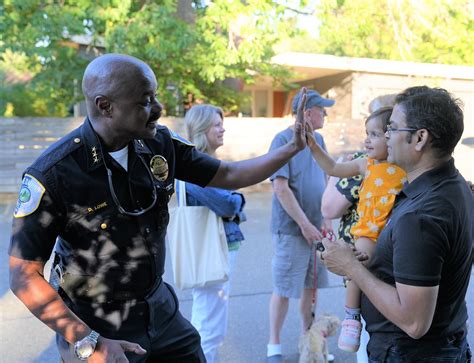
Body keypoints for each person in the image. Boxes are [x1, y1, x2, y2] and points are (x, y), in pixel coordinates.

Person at [8, 54, 309, 363]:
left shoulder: (159, 144)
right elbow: (23, 275)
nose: (158, 108)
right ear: (105, 106)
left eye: (154, 96)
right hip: (96, 323)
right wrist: (88, 340)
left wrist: (292, 147)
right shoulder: (53, 174)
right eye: (144, 101)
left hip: (160, 311)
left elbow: (229, 175)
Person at [320, 86, 472, 362]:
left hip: (411, 354)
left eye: (392, 128)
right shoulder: (455, 185)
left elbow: (415, 323)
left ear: (419, 138)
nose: (386, 136)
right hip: (445, 345)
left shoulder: (422, 216)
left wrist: (350, 266)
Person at [307, 106, 407, 353]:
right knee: (356, 270)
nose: (367, 139)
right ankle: (352, 318)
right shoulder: (366, 164)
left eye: (374, 134)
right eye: (367, 133)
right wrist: (313, 146)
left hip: (395, 233)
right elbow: (332, 168)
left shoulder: (405, 166)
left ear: (391, 136)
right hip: (368, 232)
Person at [266, 89, 334, 363]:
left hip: (316, 227)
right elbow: (281, 188)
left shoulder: (319, 140)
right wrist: (305, 224)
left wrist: (326, 218)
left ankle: (311, 345)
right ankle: (274, 344)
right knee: (284, 288)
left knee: (311, 289)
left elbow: (327, 179)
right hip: (292, 229)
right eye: (322, 109)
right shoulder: (282, 140)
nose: (325, 114)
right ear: (307, 112)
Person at [180, 104, 246, 363]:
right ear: (202, 129)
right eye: (217, 124)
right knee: (209, 325)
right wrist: (237, 199)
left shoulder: (203, 164)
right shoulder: (196, 166)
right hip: (211, 251)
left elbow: (229, 203)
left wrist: (234, 201)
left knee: (209, 320)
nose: (223, 128)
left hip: (215, 248)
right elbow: (227, 204)